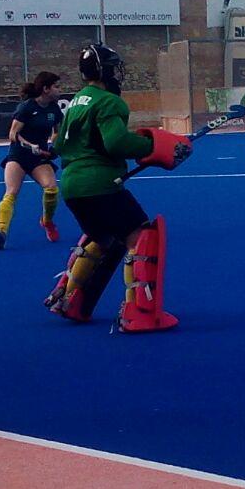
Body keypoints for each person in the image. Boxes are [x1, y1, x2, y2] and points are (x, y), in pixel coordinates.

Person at [43, 43, 191, 332]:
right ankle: (139, 313)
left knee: (102, 238)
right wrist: (153, 146)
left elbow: (59, 144)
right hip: (100, 184)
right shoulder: (109, 102)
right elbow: (116, 143)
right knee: (140, 235)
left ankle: (70, 298)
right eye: (112, 67)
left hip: (73, 186)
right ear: (104, 70)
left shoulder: (77, 101)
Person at [0, 71, 65, 250]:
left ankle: (47, 222)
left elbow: (57, 132)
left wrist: (55, 146)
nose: (60, 90)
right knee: (11, 192)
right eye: (56, 86)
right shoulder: (27, 107)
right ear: (46, 89)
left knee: (51, 189)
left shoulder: (54, 109)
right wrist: (29, 145)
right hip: (18, 155)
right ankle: (1, 231)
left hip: (39, 158)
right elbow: (12, 134)